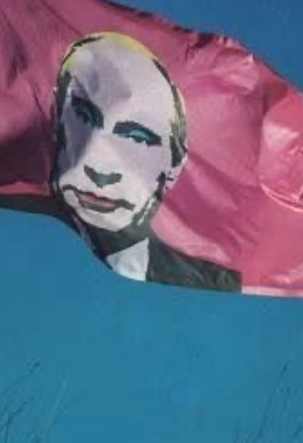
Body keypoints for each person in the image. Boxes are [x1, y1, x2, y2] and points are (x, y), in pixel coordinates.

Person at [53, 32, 240, 291]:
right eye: (85, 117)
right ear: (56, 120)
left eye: (137, 137)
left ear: (175, 164)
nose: (100, 169)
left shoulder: (211, 274)